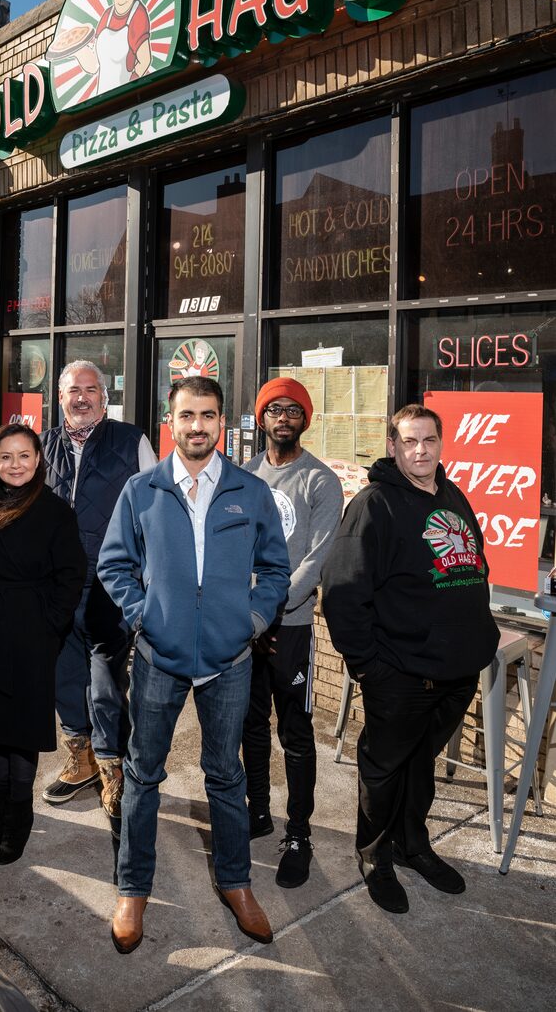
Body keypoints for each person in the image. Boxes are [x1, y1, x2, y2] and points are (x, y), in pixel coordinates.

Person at [98, 376, 290, 953]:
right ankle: (133, 889)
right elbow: (114, 566)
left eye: (208, 415)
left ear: (221, 421)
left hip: (229, 661)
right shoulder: (142, 489)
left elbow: (277, 571)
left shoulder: (248, 491)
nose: (197, 426)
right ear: (171, 421)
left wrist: (250, 622)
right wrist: (144, 616)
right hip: (159, 657)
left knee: (226, 776)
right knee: (142, 773)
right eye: (187, 416)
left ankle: (236, 883)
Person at [322, 404, 499, 915]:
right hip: (400, 673)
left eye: (429, 441)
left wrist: (476, 641)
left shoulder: (452, 495)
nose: (420, 451)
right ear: (393, 447)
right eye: (409, 442)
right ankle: (374, 856)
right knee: (384, 768)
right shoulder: (375, 505)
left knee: (420, 766)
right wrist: (370, 667)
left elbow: (474, 566)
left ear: (441, 444)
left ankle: (412, 843)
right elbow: (343, 593)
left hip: (456, 671)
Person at [0, 425, 86, 865]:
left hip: (30, 634)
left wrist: (47, 629)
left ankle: (19, 818)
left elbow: (71, 578)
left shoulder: (54, 511)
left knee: (21, 732)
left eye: (24, 456)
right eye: (5, 457)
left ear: (38, 460)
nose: (15, 465)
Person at [40, 361, 157, 833]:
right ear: (60, 396)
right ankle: (80, 759)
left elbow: (157, 508)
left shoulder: (132, 441)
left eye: (91, 390)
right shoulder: (42, 447)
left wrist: (147, 577)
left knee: (106, 681)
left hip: (112, 582)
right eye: (73, 390)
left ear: (104, 397)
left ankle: (112, 767)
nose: (82, 397)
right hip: (56, 585)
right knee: (64, 676)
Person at [242, 377, 343, 888]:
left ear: (306, 419)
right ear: (261, 419)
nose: (283, 417)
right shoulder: (244, 475)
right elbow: (233, 552)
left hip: (291, 628)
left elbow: (316, 561)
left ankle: (298, 833)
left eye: (293, 410)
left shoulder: (321, 482)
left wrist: (268, 612)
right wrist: (249, 615)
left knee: (296, 734)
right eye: (273, 409)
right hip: (248, 629)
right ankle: (256, 812)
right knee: (250, 727)